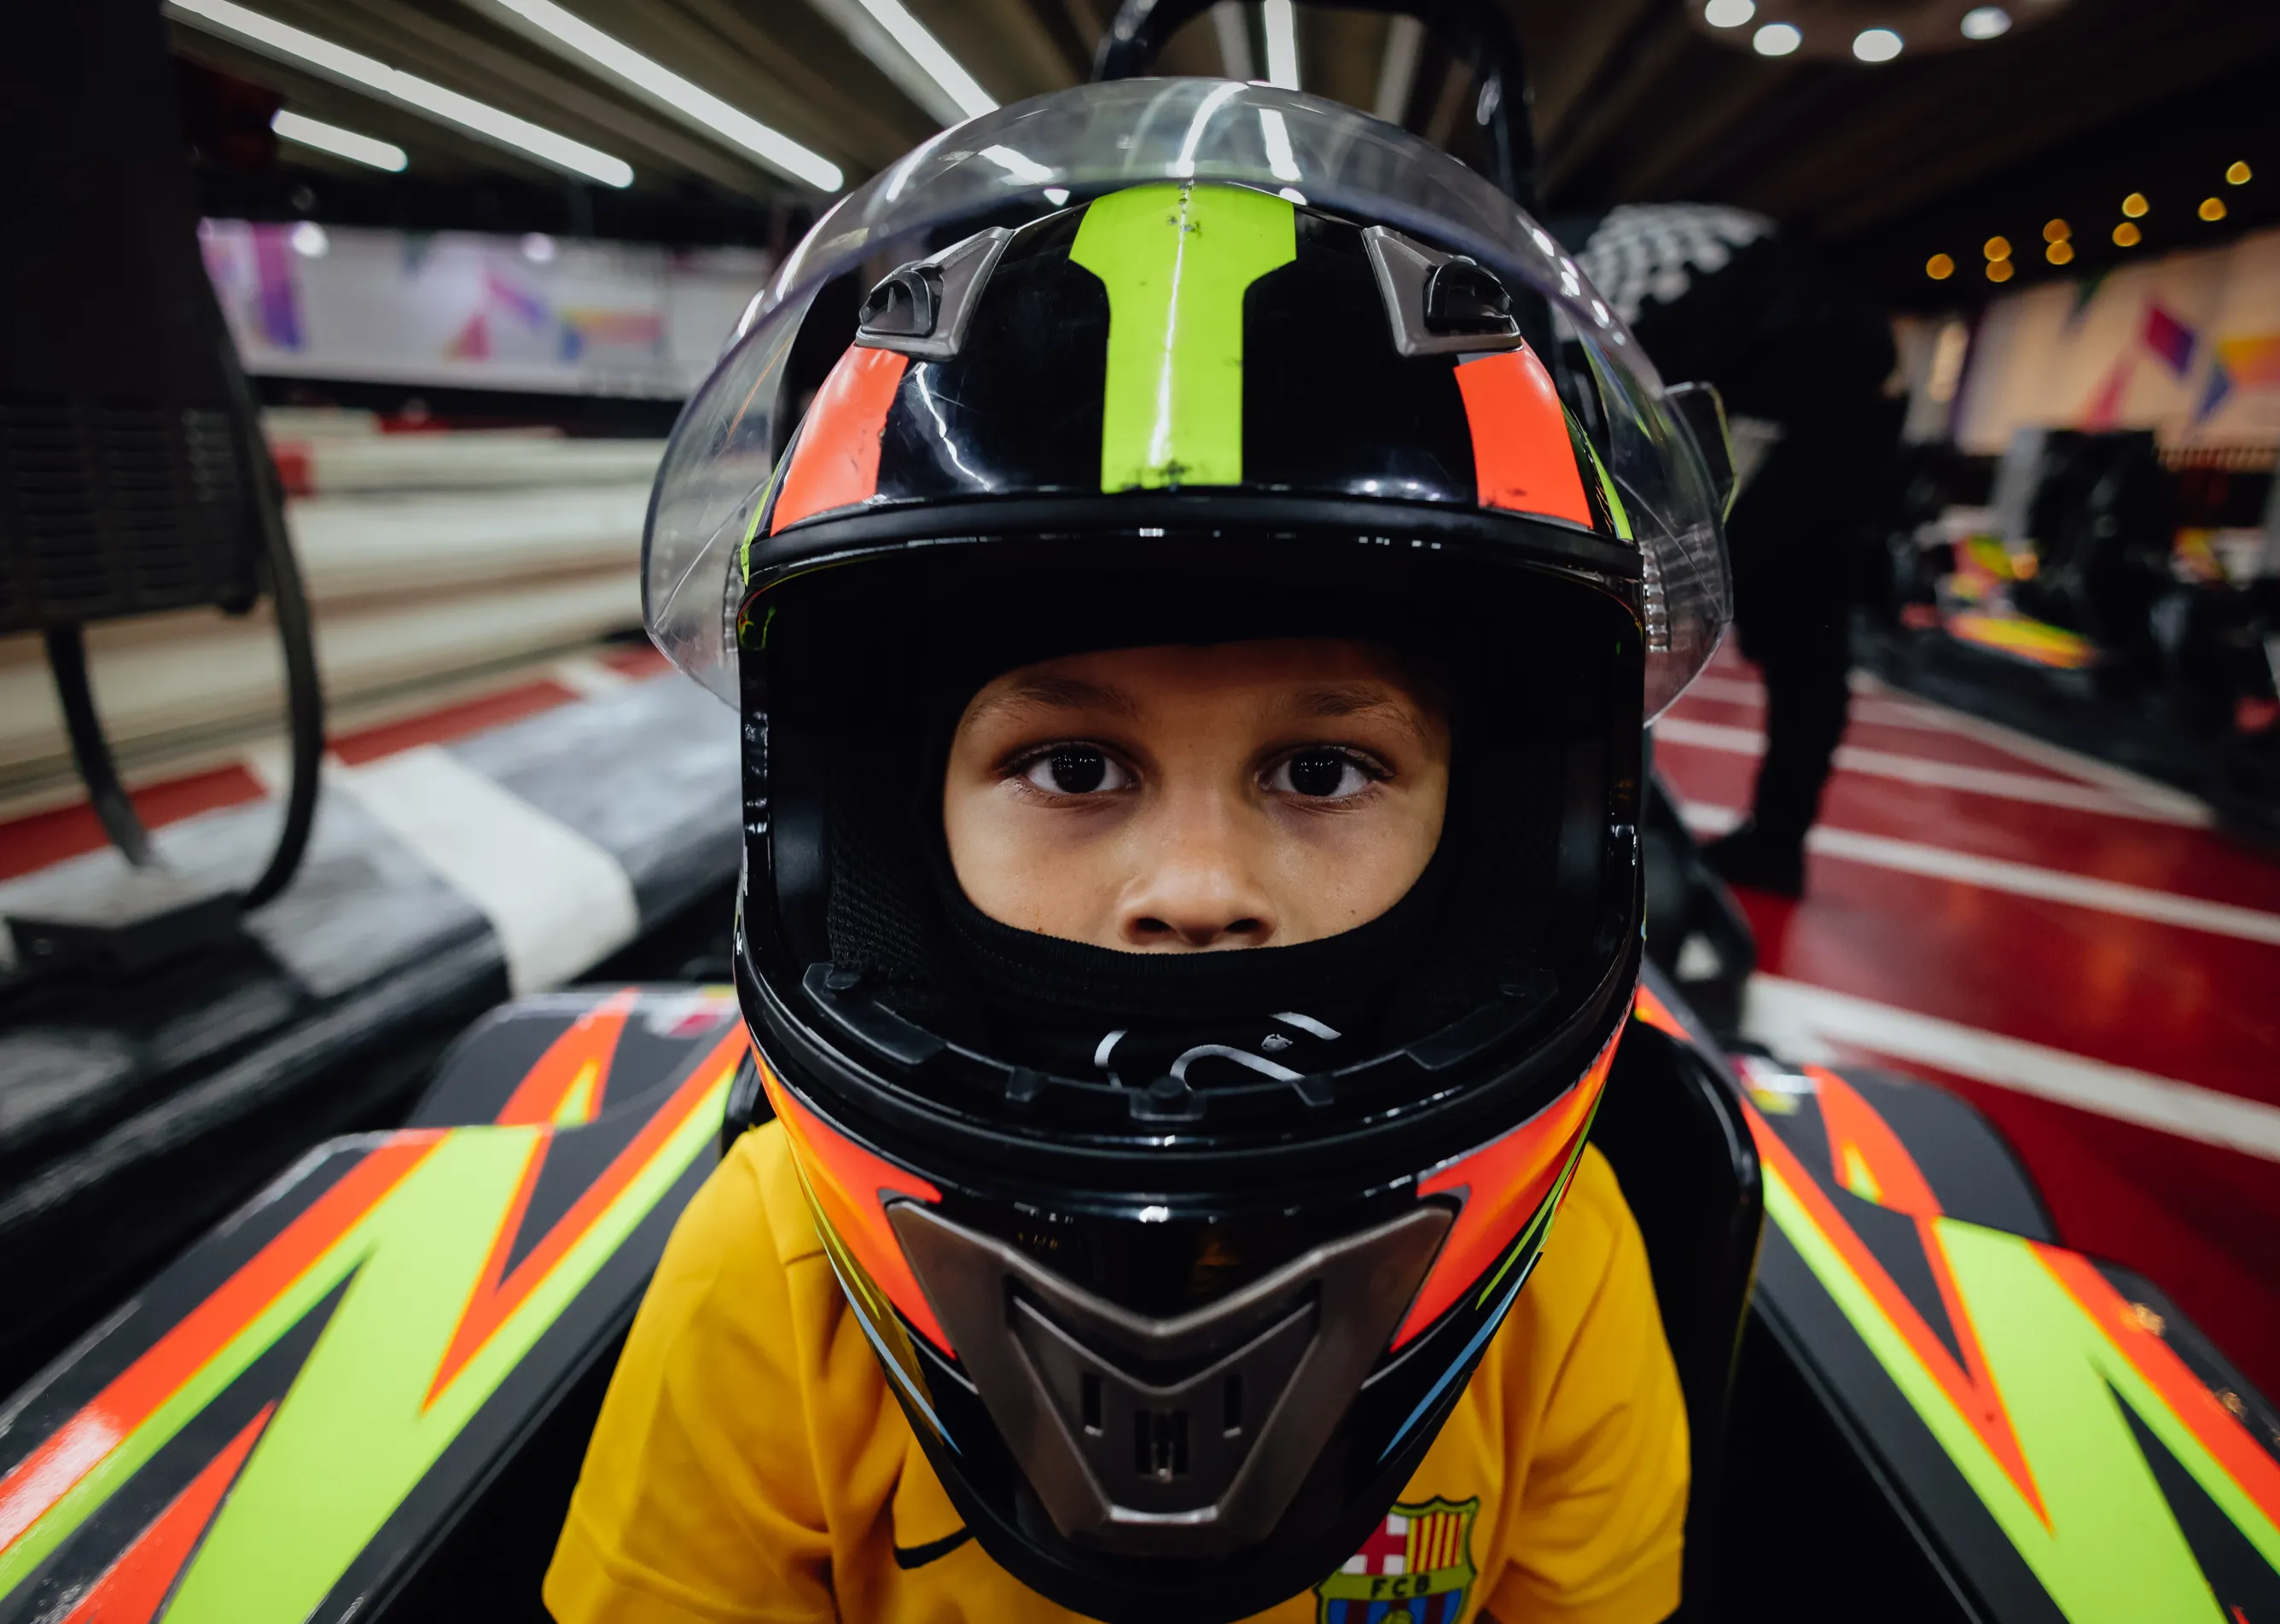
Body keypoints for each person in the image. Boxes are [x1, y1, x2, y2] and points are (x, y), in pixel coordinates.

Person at [545, 84, 1733, 1624]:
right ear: (881, 828)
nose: (1194, 888)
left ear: (1523, 835)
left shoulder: (1568, 1267)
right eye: (1074, 764)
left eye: (1320, 769)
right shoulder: (766, 1261)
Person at [1578, 205, 1900, 896]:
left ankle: (1595, 817)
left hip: (1782, 389)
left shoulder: (1576, 276)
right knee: (1806, 640)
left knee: (1637, 600)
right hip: (1844, 391)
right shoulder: (1629, 239)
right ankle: (1777, 841)